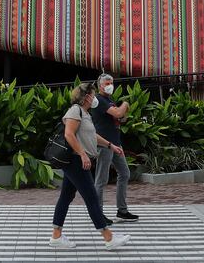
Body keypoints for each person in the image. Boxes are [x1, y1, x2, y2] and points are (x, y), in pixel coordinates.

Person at [50, 82, 131, 250]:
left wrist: (110, 146)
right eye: (93, 95)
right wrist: (82, 154)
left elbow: (92, 135)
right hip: (75, 161)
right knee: (92, 198)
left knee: (66, 197)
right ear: (86, 96)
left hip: (77, 160)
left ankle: (56, 236)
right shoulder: (75, 110)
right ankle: (108, 238)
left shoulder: (85, 113)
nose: (95, 98)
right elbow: (69, 134)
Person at [91, 73, 139, 224]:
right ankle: (98, 214)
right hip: (104, 144)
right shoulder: (99, 100)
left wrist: (122, 113)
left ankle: (122, 211)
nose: (110, 85)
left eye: (111, 82)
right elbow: (119, 112)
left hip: (116, 143)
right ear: (100, 86)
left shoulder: (108, 100)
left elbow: (120, 118)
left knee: (124, 173)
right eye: (106, 83)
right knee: (101, 180)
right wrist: (125, 104)